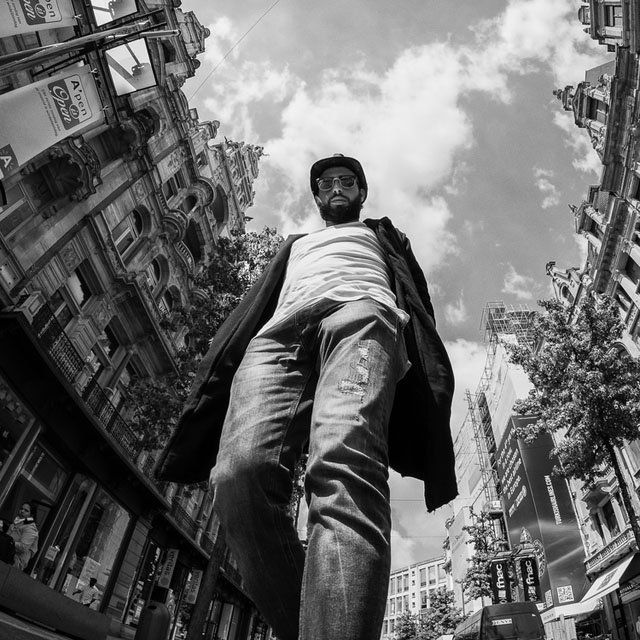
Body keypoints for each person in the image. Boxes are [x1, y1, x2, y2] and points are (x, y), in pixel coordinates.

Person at [157, 154, 457, 640]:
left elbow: (417, 296)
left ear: (361, 193)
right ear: (317, 197)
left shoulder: (382, 236)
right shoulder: (296, 245)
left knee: (341, 464)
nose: (336, 186)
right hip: (277, 339)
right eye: (326, 182)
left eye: (347, 181)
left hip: (361, 318)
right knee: (237, 476)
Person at [7, 502, 38, 571]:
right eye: (21, 509)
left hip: (16, 561)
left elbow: (23, 547)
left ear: (31, 515)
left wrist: (9, 542)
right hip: (7, 554)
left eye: (26, 510)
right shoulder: (17, 522)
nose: (22, 511)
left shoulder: (31, 528)